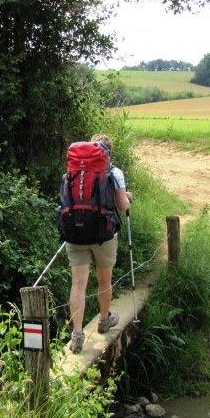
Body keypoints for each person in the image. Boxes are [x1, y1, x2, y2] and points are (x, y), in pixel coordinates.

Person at [66, 133, 132, 353]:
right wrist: (128, 198)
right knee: (104, 279)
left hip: (74, 231)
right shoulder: (114, 172)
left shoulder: (74, 169)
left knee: (78, 283)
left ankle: (77, 335)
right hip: (103, 235)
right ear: (109, 152)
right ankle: (104, 320)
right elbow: (122, 205)